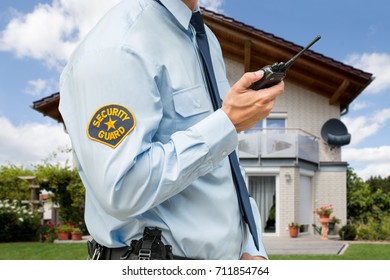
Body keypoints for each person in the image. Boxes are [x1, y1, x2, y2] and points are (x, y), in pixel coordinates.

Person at [59, 0, 284, 260]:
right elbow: (122, 189)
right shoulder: (117, 46)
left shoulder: (206, 39)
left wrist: (252, 248)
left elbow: (225, 163)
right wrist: (227, 124)